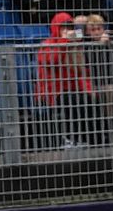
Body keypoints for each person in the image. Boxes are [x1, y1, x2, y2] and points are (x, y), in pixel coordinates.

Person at [35, 12, 101, 147]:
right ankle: (71, 139)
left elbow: (83, 73)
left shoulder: (75, 46)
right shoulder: (48, 44)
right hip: (54, 92)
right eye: (63, 27)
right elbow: (50, 61)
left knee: (87, 100)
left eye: (69, 27)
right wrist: (64, 41)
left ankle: (90, 140)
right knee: (73, 101)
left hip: (74, 89)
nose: (66, 31)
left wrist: (89, 91)